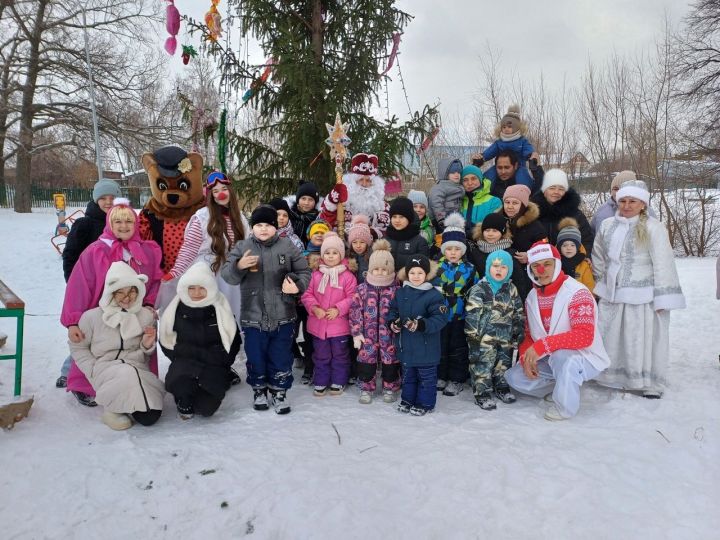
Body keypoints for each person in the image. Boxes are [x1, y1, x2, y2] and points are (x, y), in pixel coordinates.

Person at [61, 199, 163, 407]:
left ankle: (139, 384)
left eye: (128, 222)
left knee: (137, 350)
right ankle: (85, 386)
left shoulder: (146, 251)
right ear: (110, 223)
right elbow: (79, 286)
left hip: (135, 312)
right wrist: (73, 321)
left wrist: (150, 303)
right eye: (118, 222)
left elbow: (155, 280)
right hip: (101, 314)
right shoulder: (95, 251)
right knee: (98, 350)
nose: (124, 226)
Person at [592, 179, 686, 398]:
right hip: (613, 293)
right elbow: (598, 254)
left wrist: (663, 298)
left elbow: (663, 262)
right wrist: (602, 280)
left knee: (638, 337)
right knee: (612, 335)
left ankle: (646, 381)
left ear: (642, 203)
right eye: (622, 200)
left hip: (642, 295)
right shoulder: (607, 225)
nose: (626, 205)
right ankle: (611, 376)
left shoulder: (653, 227)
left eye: (632, 201)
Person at [221, 204, 311, 414]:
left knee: (281, 355)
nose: (263, 229)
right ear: (252, 227)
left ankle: (279, 391)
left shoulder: (287, 246)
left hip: (283, 315)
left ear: (276, 227)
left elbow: (305, 271)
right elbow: (227, 275)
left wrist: (297, 285)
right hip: (253, 317)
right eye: (258, 225)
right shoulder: (243, 247)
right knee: (256, 355)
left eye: (268, 225)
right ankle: (259, 389)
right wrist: (239, 266)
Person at [505, 241, 610, 421]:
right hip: (550, 357)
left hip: (582, 355)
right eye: (536, 266)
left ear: (557, 264)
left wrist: (543, 346)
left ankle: (564, 407)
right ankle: (562, 386)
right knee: (514, 377)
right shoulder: (532, 296)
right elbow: (530, 334)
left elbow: (584, 335)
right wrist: (525, 358)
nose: (541, 270)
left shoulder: (577, 292)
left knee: (564, 358)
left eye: (547, 264)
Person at [70, 261, 164, 430]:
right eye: (120, 293)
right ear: (110, 292)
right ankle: (112, 410)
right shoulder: (91, 317)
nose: (127, 298)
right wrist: (91, 369)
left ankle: (127, 403)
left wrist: (147, 345)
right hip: (105, 368)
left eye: (132, 292)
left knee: (150, 417)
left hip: (137, 368)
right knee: (125, 372)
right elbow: (79, 348)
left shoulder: (145, 316)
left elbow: (145, 353)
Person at [56, 178, 121, 388]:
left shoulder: (121, 221)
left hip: (112, 289)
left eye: (112, 197)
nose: (108, 202)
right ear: (96, 200)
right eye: (103, 198)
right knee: (85, 332)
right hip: (88, 288)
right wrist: (73, 285)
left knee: (104, 332)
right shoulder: (84, 224)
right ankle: (69, 371)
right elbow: (70, 255)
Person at [164, 171, 249, 324]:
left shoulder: (240, 218)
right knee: (211, 315)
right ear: (211, 196)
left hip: (233, 274)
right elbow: (189, 249)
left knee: (232, 314)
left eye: (223, 189)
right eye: (215, 191)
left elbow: (247, 246)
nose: (220, 194)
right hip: (209, 272)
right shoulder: (202, 217)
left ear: (230, 191)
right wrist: (175, 272)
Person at [160, 262, 241, 419]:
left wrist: (223, 362)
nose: (196, 293)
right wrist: (179, 356)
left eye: (202, 287)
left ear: (210, 288)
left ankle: (223, 378)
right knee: (181, 385)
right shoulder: (176, 308)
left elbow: (233, 340)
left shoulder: (220, 307)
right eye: (191, 288)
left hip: (214, 363)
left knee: (206, 409)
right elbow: (166, 341)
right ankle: (183, 398)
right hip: (184, 363)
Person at [464, 250, 525, 410]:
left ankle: (502, 387)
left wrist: (519, 329)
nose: (499, 270)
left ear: (509, 270)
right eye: (495, 266)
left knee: (503, 364)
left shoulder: (511, 289)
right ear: (488, 267)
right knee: (483, 364)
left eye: (503, 267)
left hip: (505, 338)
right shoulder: (479, 289)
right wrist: (472, 337)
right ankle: (482, 392)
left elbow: (518, 310)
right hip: (483, 337)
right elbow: (472, 314)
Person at [389, 255, 448, 415]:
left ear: (426, 274)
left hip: (426, 348)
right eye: (412, 273)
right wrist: (393, 322)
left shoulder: (434, 295)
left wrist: (421, 324)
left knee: (426, 379)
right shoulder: (401, 292)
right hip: (406, 346)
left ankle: (425, 403)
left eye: (420, 273)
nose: (416, 276)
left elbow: (440, 318)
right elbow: (392, 310)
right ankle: (407, 400)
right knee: (408, 377)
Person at [301, 232, 357, 396]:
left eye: (335, 253)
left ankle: (339, 380)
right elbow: (307, 294)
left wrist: (339, 309)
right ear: (322, 255)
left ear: (341, 255)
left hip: (339, 325)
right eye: (327, 253)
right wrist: (315, 308)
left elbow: (353, 296)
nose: (331, 256)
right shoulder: (315, 274)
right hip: (318, 325)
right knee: (320, 354)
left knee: (340, 354)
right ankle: (321, 380)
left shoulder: (347, 276)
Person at [432, 213, 479, 396]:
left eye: (457, 249)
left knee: (457, 347)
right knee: (440, 345)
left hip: (460, 314)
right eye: (449, 248)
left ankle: (456, 378)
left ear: (463, 250)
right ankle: (440, 375)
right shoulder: (436, 266)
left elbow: (474, 291)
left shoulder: (469, 269)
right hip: (440, 313)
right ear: (443, 249)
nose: (453, 252)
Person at [350, 239, 400, 404]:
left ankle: (390, 387)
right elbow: (355, 310)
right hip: (367, 336)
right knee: (366, 361)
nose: (380, 272)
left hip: (389, 335)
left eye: (384, 269)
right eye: (376, 269)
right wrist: (356, 332)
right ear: (370, 269)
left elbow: (401, 311)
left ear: (391, 270)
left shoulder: (396, 290)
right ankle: (366, 387)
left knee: (390, 362)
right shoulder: (362, 289)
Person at [320, 153, 390, 237]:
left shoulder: (382, 206)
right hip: (340, 245)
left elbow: (384, 230)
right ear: (352, 181)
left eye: (368, 181)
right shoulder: (339, 199)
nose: (364, 184)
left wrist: (365, 234)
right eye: (360, 180)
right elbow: (324, 221)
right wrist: (331, 201)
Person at [500, 184, 548, 300]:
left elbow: (546, 249)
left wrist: (530, 256)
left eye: (515, 203)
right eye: (507, 202)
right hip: (502, 274)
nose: (510, 206)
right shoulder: (498, 220)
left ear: (523, 205)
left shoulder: (534, 226)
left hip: (527, 276)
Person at [530, 168, 594, 255]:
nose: (556, 192)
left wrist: (584, 257)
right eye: (552, 188)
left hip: (568, 263)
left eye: (561, 189)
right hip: (540, 262)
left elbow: (587, 239)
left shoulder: (575, 214)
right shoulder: (533, 213)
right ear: (544, 191)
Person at [385, 196, 429, 271]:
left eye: (401, 217)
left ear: (409, 219)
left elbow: (422, 268)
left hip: (410, 281)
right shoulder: (385, 240)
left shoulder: (420, 242)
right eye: (394, 217)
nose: (397, 220)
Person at [460, 165, 502, 237]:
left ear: (480, 179)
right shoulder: (458, 202)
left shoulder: (494, 201)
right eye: (465, 180)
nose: (470, 183)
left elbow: (494, 228)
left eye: (473, 179)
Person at [556, 219, 595, 291]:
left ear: (578, 247)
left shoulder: (584, 265)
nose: (568, 248)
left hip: (580, 299)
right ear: (559, 248)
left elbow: (590, 286)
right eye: (564, 245)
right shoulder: (555, 264)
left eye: (572, 245)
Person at [428, 158, 465, 231]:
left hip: (454, 217)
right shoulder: (441, 186)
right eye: (453, 172)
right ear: (445, 174)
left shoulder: (457, 186)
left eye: (459, 172)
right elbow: (436, 201)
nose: (457, 174)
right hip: (442, 219)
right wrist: (441, 218)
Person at [289, 181, 321, 245]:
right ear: (298, 200)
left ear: (315, 202)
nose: (306, 203)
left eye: (310, 199)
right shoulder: (290, 214)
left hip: (311, 252)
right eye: (303, 199)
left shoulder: (318, 218)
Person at [346, 214, 373, 283]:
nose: (358, 246)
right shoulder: (347, 256)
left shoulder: (372, 257)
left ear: (367, 243)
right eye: (354, 242)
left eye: (362, 242)